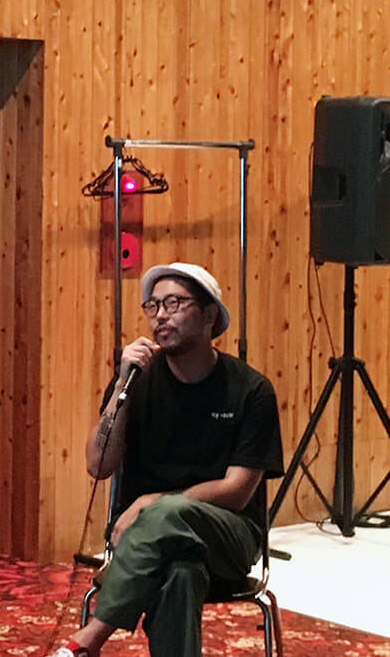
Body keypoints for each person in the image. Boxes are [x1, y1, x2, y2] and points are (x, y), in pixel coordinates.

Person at [56, 262, 284, 657]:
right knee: (180, 572)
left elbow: (236, 491)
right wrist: (122, 384)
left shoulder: (251, 390)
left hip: (227, 536)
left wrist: (153, 504)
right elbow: (98, 465)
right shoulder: (136, 380)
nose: (160, 315)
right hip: (148, 543)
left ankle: (91, 638)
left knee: (166, 515)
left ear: (209, 316)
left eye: (174, 303)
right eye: (153, 305)